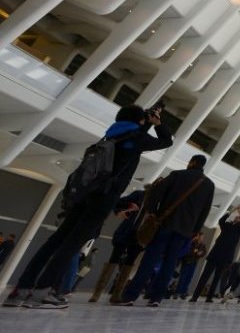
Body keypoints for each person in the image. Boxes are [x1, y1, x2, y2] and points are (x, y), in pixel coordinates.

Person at [5, 104, 172, 309]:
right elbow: (166, 141)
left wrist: (143, 123)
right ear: (139, 121)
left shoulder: (111, 135)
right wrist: (157, 123)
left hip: (85, 194)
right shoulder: (136, 138)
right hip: (103, 197)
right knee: (73, 244)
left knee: (56, 240)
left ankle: (20, 290)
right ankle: (43, 291)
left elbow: (132, 139)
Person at [115, 154, 214, 307]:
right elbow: (205, 211)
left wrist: (154, 212)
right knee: (170, 263)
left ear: (192, 162)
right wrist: (194, 230)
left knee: (150, 260)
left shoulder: (177, 175)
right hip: (184, 231)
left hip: (165, 224)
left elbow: (155, 192)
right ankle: (156, 298)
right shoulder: (209, 185)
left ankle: (130, 295)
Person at [190, 205, 240, 302]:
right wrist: (231, 212)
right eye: (236, 217)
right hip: (215, 254)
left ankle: (209, 297)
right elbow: (221, 221)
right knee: (205, 275)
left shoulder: (238, 230)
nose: (237, 218)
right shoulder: (226, 225)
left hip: (225, 257)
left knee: (216, 278)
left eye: (239, 218)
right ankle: (195, 296)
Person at [175, 231, 207, 299]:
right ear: (198, 236)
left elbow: (204, 252)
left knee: (189, 278)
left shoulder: (202, 245)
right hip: (187, 261)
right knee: (183, 277)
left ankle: (183, 293)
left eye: (202, 237)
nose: (202, 238)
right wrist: (194, 251)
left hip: (194, 262)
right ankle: (177, 292)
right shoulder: (191, 242)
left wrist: (200, 253)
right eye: (201, 236)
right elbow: (187, 250)